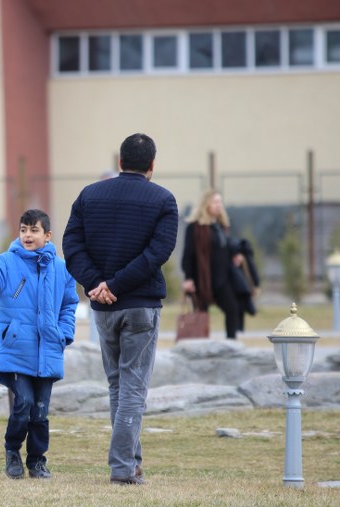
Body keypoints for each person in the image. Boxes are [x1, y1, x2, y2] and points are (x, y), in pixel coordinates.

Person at [62, 133, 178, 485]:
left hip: (103, 308)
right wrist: (115, 285)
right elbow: (157, 254)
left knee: (117, 385)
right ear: (152, 165)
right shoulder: (163, 200)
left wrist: (98, 283)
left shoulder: (89, 195)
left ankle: (131, 461)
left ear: (120, 162)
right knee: (133, 387)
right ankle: (123, 468)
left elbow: (71, 244)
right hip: (140, 305)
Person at [0, 209, 78, 480]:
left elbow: (69, 304)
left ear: (47, 235)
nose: (27, 235)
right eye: (23, 229)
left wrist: (64, 333)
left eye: (33, 230)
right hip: (16, 350)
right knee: (23, 404)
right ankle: (12, 452)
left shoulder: (61, 268)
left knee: (40, 412)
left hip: (49, 350)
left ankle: (36, 461)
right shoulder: (7, 262)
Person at [180, 190, 245, 339]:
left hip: (222, 279)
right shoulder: (195, 227)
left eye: (220, 202)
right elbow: (188, 254)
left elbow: (224, 248)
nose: (219, 205)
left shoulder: (221, 226)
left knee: (232, 308)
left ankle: (231, 345)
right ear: (206, 204)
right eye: (215, 202)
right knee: (201, 315)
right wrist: (188, 278)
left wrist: (236, 257)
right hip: (201, 279)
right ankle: (201, 348)